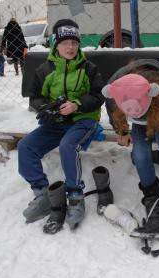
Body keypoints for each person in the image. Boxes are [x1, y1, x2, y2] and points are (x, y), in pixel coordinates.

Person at [17, 19, 109, 234]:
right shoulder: (44, 69)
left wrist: (77, 104)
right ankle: (42, 195)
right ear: (55, 45)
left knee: (68, 145)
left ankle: (75, 195)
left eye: (74, 43)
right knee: (26, 147)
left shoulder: (88, 68)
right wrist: (48, 109)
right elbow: (35, 98)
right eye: (65, 42)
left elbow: (98, 95)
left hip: (83, 120)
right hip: (56, 122)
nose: (70, 47)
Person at [102, 59, 159, 238]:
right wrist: (122, 130)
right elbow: (112, 107)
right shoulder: (115, 89)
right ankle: (153, 199)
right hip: (137, 117)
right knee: (140, 154)